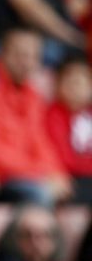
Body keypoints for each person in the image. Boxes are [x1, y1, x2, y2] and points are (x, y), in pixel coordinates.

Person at [0, 25, 72, 205]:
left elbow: (40, 140)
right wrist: (40, 174)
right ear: (2, 53)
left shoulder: (33, 94)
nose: (27, 62)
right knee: (40, 194)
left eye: (34, 56)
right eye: (20, 55)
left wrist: (56, 173)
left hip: (28, 175)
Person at [45, 55, 92, 202]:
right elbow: (62, 157)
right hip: (71, 179)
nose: (76, 86)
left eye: (82, 81)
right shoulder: (52, 115)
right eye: (70, 81)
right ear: (57, 84)